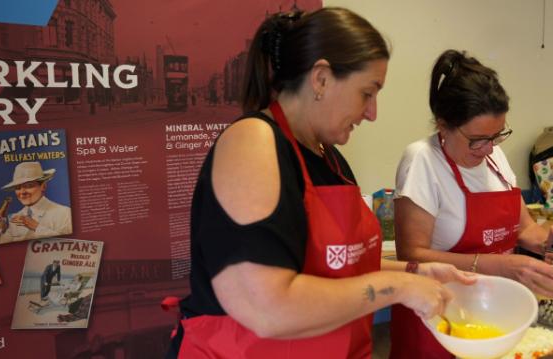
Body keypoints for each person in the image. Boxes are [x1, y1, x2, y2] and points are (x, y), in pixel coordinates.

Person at [164, 8, 477, 359]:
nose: (372, 113)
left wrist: (417, 272)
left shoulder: (329, 156)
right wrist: (398, 287)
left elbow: (341, 265)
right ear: (322, 79)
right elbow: (266, 309)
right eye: (367, 93)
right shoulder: (252, 142)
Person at [388, 50, 553, 359]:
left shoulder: (495, 159)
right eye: (477, 140)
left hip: (492, 313)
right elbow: (411, 255)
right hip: (439, 318)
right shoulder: (422, 160)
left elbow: (525, 229)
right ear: (443, 126)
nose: (488, 149)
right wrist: (497, 265)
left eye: (497, 136)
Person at [0, 161, 72, 245]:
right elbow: (1, 244)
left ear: (43, 186)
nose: (22, 192)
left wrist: (36, 227)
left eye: (29, 186)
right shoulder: (16, 217)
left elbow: (69, 245)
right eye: (18, 188)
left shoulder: (64, 213)